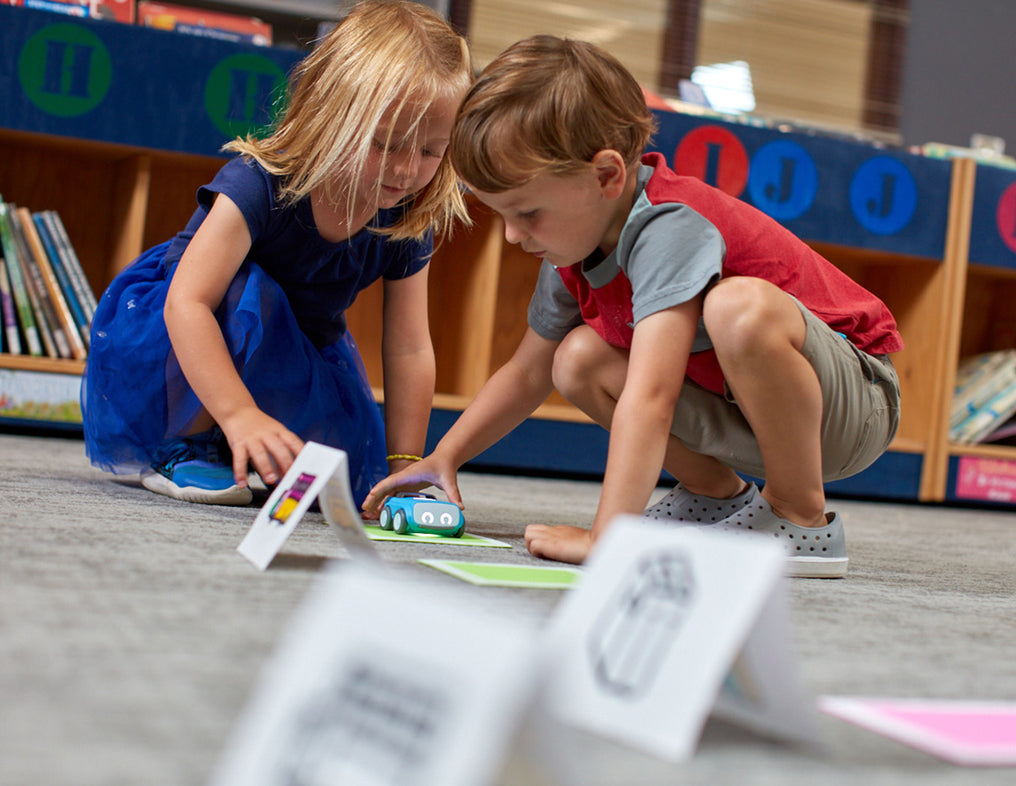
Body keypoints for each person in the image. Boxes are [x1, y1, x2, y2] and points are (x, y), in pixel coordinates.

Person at [362, 35, 902, 577]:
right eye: (501, 214)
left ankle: (800, 518)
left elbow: (652, 396)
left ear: (606, 175)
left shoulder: (670, 226)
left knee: (739, 309)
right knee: (574, 358)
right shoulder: (572, 244)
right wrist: (442, 460)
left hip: (853, 402)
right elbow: (527, 372)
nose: (510, 236)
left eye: (527, 213)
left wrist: (607, 538)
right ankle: (715, 496)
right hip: (748, 414)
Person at [81, 0, 472, 506]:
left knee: (331, 479)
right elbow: (188, 303)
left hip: (294, 356)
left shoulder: (407, 219)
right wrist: (238, 412)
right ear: (331, 113)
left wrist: (405, 464)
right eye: (385, 143)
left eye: (429, 151)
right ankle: (187, 443)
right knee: (250, 296)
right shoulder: (259, 185)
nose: (405, 170)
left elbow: (409, 348)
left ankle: (237, 442)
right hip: (177, 340)